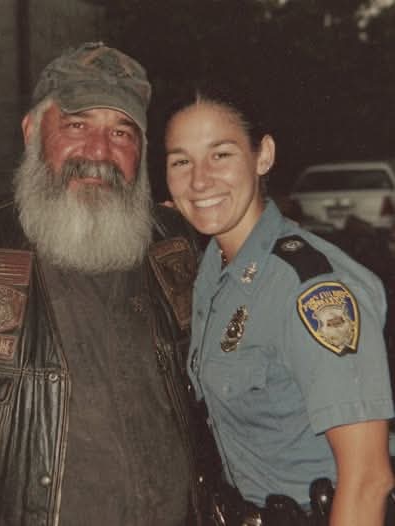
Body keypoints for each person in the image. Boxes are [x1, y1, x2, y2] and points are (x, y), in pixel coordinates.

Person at [0, 42, 211, 526]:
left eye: (121, 132)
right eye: (76, 126)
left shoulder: (172, 249)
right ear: (32, 132)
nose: (99, 152)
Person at [164, 84, 395, 525]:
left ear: (263, 155)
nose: (199, 180)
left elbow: (368, 480)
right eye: (181, 161)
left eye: (221, 155)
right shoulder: (212, 272)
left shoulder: (311, 289)